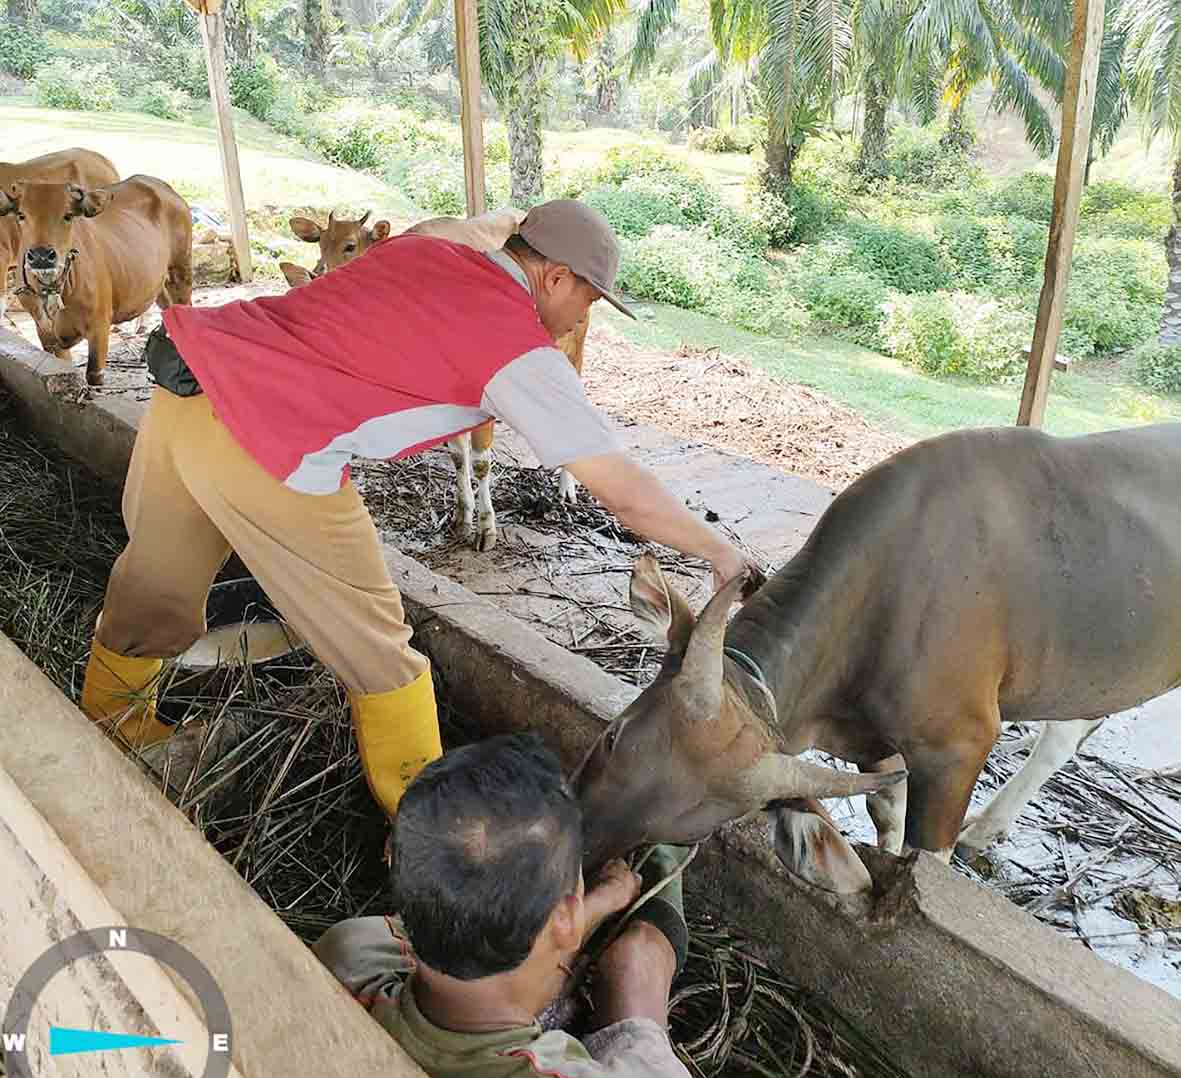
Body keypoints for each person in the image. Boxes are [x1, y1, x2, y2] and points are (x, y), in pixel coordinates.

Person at [79, 198, 757, 813]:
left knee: (156, 578)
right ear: (553, 277)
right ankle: (427, 835)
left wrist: (512, 217)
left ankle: (112, 719)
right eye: (588, 297)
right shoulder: (516, 347)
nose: (584, 317)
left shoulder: (425, 250)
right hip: (269, 442)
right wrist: (724, 555)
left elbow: (459, 227)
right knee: (383, 656)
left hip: (187, 386)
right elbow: (624, 492)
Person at [313, 732, 730, 1078]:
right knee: (638, 964)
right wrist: (637, 997)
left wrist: (595, 904)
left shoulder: (346, 956)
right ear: (565, 918)